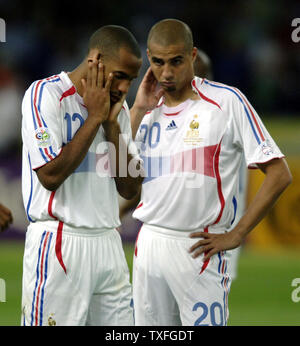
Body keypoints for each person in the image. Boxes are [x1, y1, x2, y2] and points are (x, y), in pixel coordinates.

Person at [130, 19, 292, 326]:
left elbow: (279, 173)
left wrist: (237, 234)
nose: (166, 72)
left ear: (192, 56)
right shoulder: (146, 108)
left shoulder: (227, 102)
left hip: (198, 249)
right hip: (149, 243)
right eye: (158, 62)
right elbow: (119, 176)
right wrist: (137, 111)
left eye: (176, 61)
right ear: (148, 57)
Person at [21, 25, 143, 326]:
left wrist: (111, 126)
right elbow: (49, 175)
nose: (125, 88)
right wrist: (94, 118)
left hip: (108, 244)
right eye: (121, 76)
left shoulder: (118, 110)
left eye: (131, 79)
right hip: (60, 242)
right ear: (96, 59)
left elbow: (130, 189)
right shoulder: (45, 94)